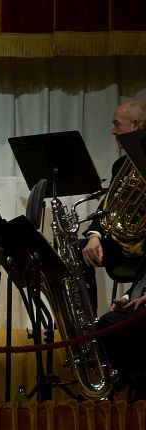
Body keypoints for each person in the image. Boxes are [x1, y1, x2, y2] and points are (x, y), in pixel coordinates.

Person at [78, 98, 146, 292]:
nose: (113, 131)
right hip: (124, 247)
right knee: (77, 251)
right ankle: (89, 321)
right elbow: (109, 205)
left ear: (135, 125)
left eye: (117, 124)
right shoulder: (120, 165)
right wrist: (94, 236)